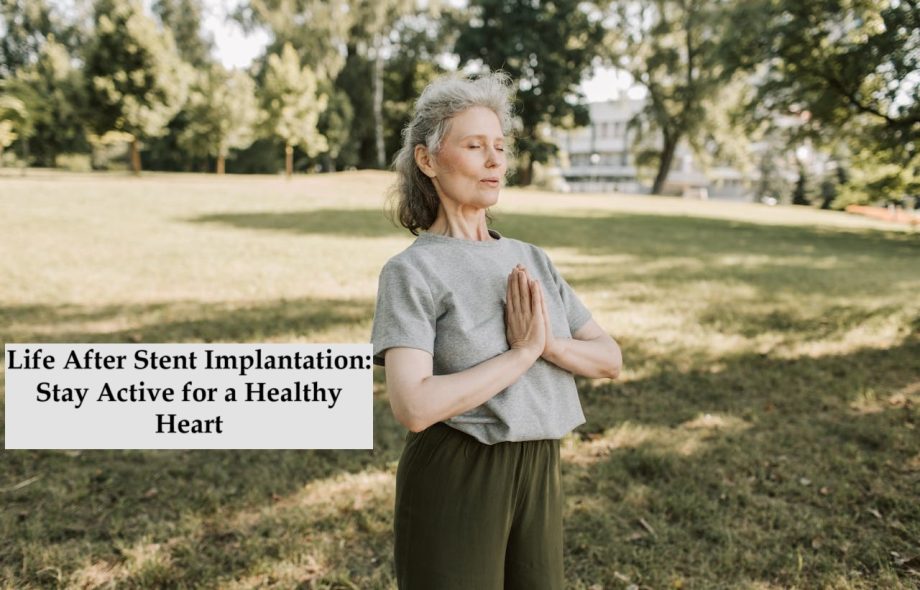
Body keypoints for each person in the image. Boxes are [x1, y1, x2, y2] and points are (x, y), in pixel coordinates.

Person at [370, 71, 622, 590]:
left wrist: (548, 342)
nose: (495, 161)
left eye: (500, 147)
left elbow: (609, 359)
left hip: (540, 466)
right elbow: (413, 406)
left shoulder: (531, 258)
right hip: (458, 469)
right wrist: (522, 354)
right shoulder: (413, 272)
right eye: (475, 145)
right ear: (427, 160)